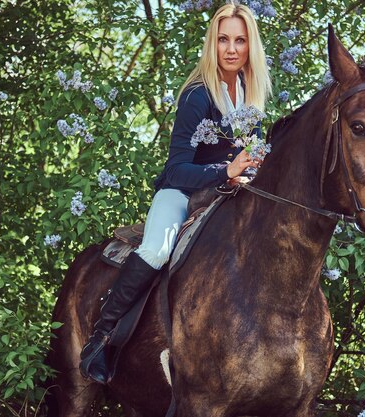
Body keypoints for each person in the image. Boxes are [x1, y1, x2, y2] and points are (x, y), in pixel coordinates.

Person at [79, 2, 272, 384]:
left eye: (240, 40)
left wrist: (257, 167)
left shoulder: (251, 93)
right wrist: (226, 170)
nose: (231, 49)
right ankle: (102, 337)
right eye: (223, 40)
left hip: (225, 196)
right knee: (157, 249)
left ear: (251, 46)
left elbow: (254, 152)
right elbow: (177, 168)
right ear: (211, 44)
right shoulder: (198, 95)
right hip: (182, 193)